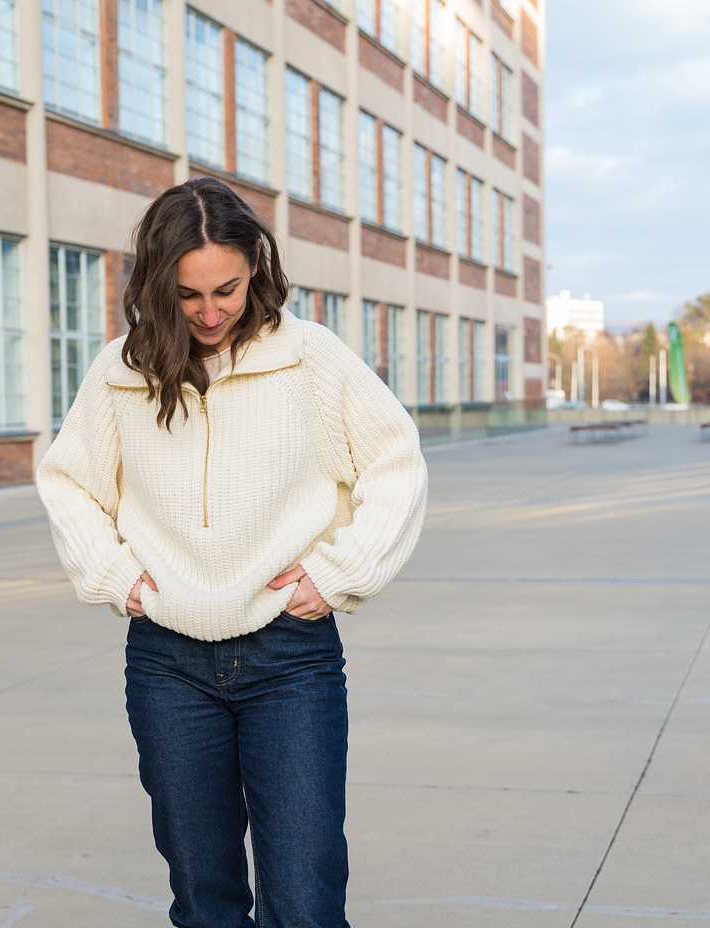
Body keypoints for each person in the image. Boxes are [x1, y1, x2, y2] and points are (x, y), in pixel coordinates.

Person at [36, 177, 427, 928]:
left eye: (228, 289)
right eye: (187, 295)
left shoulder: (311, 357)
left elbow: (395, 462)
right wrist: (116, 576)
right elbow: (69, 481)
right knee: (204, 899)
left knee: (305, 902)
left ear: (256, 269)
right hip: (167, 663)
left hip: (291, 657)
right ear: (158, 283)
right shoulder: (121, 371)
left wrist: (338, 572)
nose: (210, 313)